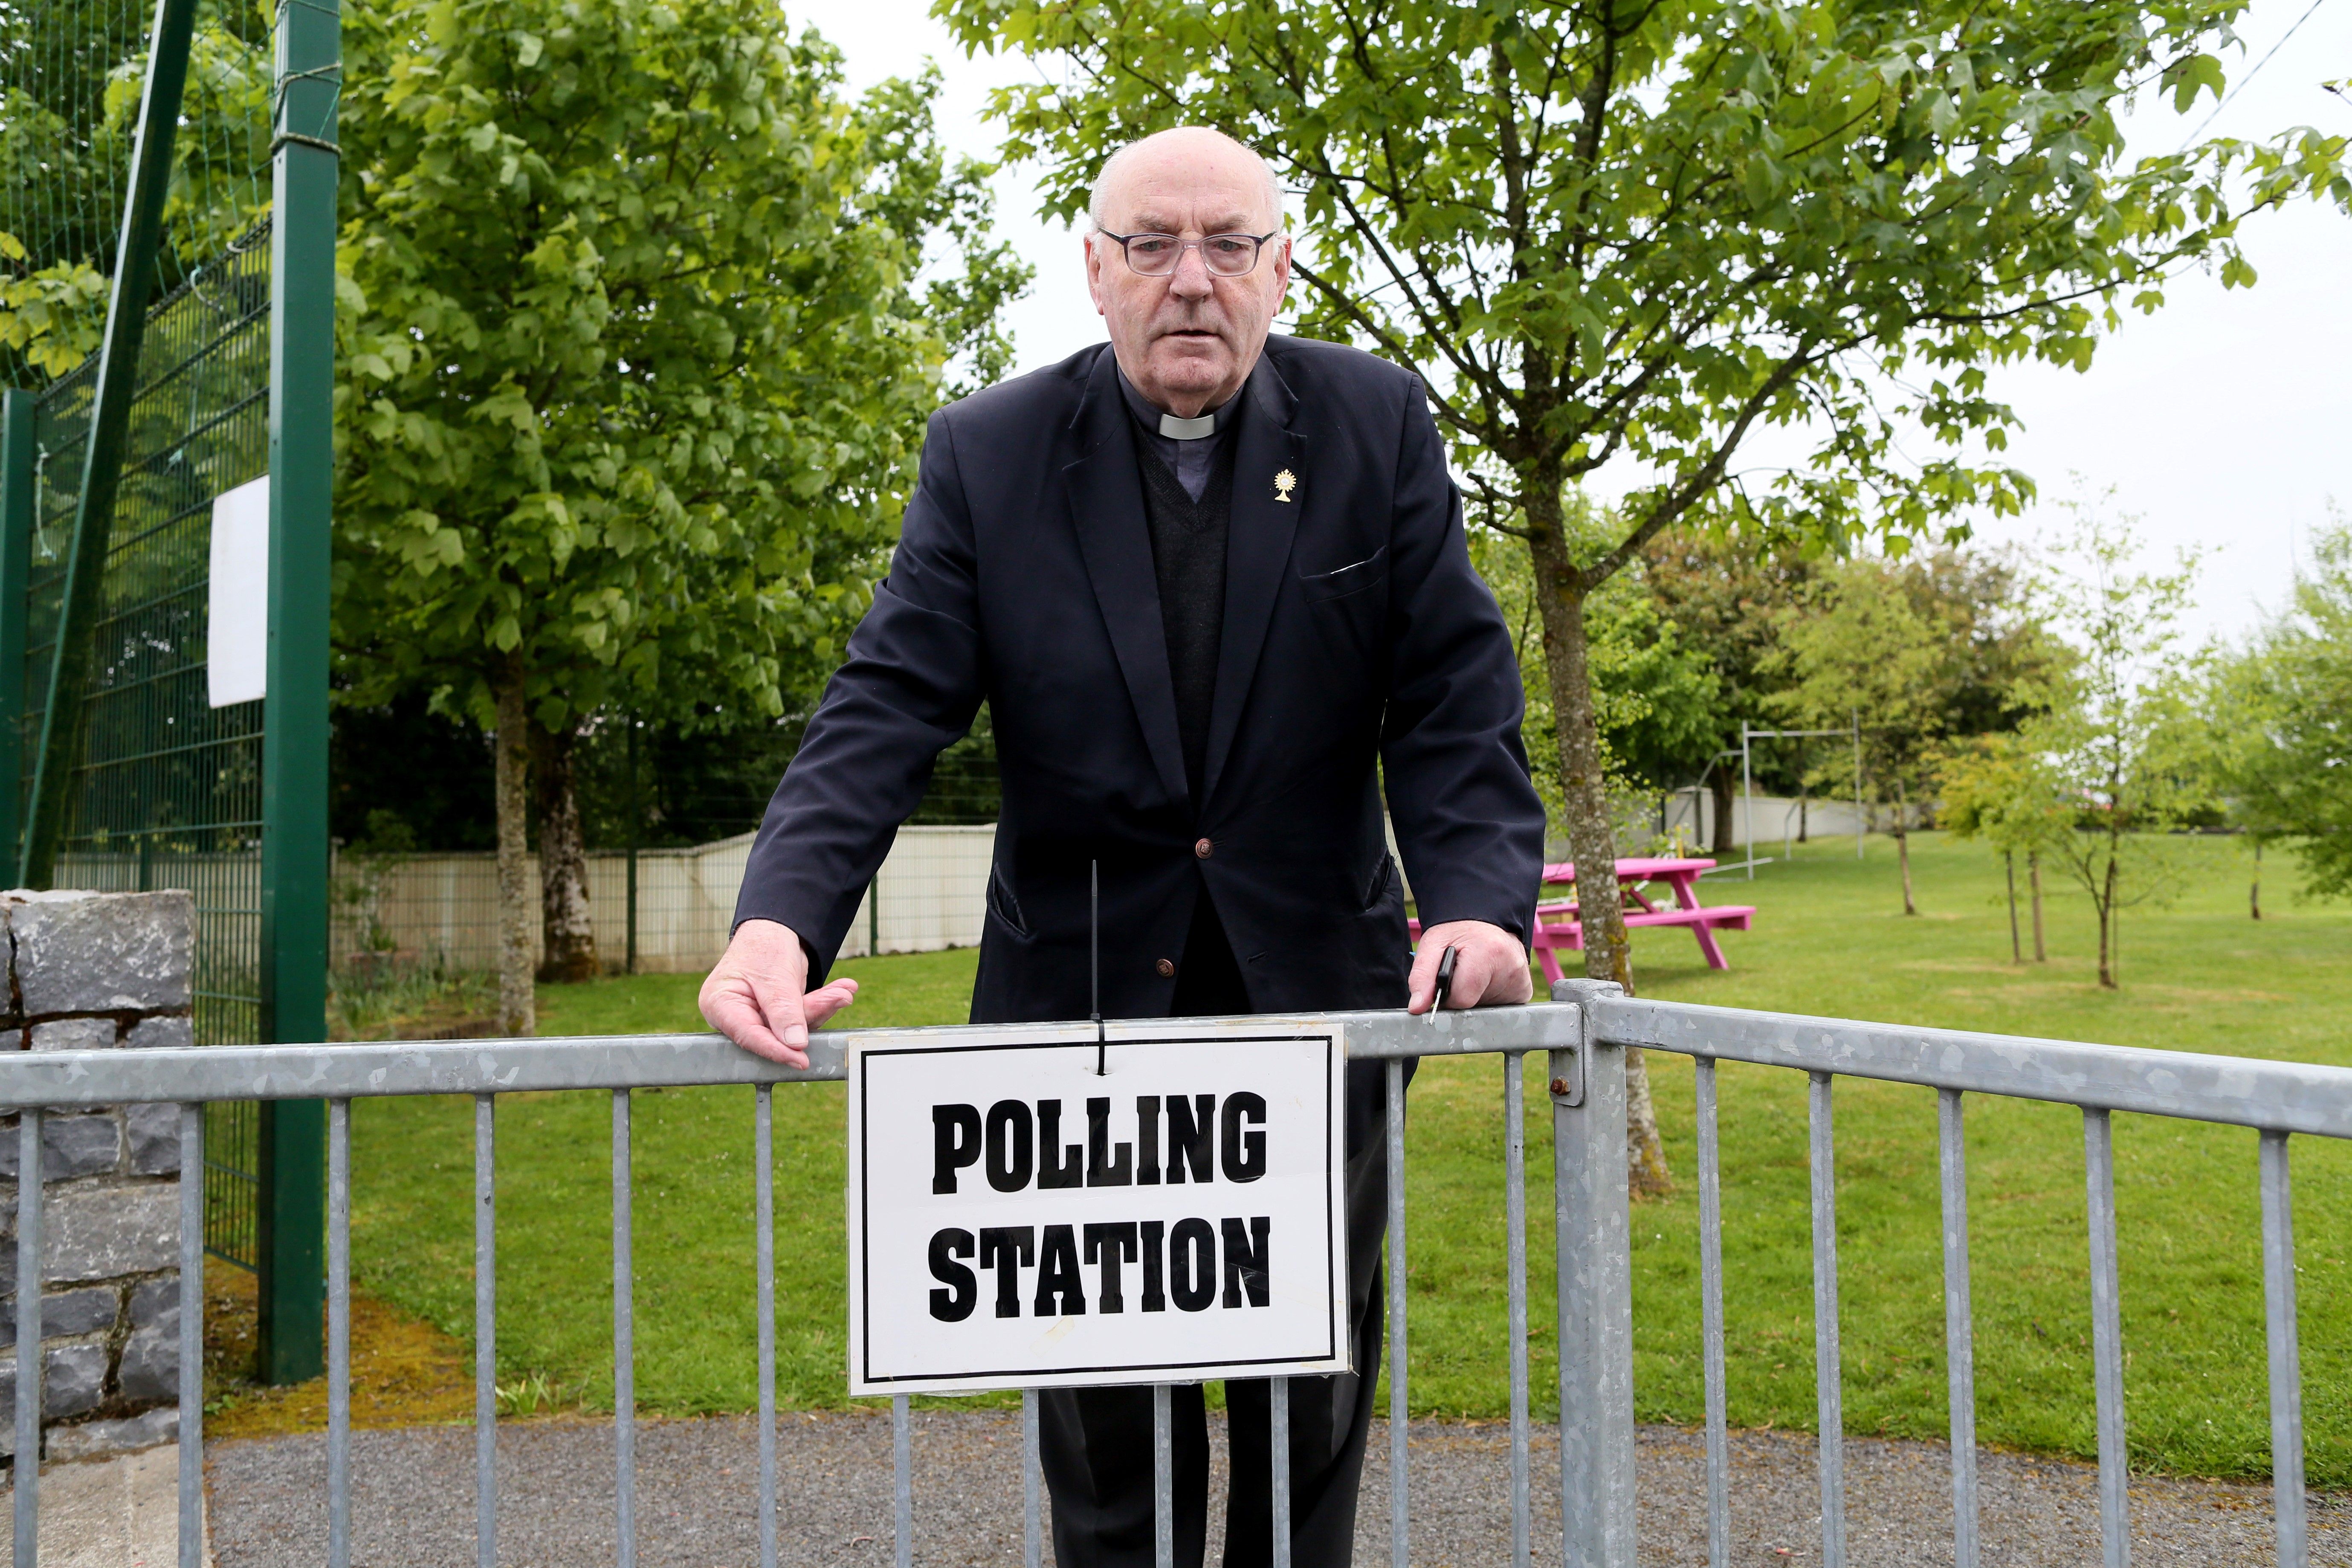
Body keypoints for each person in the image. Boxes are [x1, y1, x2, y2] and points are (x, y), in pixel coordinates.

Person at [700, 125, 1545, 1568]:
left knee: (1309, 1393)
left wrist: (1475, 902)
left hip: (1315, 1008)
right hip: (1075, 1016)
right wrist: (781, 921)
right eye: (1152, 246)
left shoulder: (1376, 422)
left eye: (1230, 245)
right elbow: (887, 702)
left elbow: (1455, 695)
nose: (1193, 280)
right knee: (1103, 1432)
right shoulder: (989, 450)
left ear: (1280, 268)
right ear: (1094, 272)